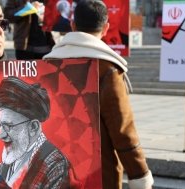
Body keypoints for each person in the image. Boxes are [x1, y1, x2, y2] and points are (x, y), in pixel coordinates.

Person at [43, 1, 154, 188]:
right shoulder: (107, 69)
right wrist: (140, 175)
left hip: (55, 173)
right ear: (106, 28)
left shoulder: (47, 67)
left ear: (73, 26)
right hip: (98, 175)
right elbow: (122, 131)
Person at [0, 76, 72, 188]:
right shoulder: (9, 162)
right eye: (0, 125)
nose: (1, 135)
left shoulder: (55, 164)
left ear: (33, 127)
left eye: (8, 126)